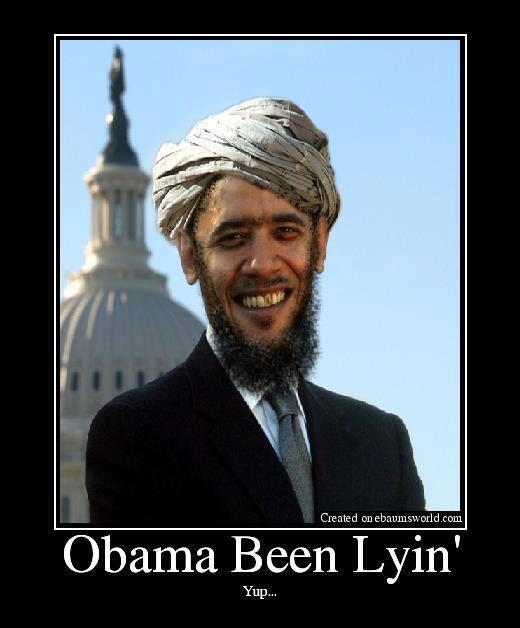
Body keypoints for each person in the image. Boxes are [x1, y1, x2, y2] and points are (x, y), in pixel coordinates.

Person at [86, 98, 425, 526]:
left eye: (285, 232)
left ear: (320, 243)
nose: (263, 265)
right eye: (233, 237)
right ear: (189, 254)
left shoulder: (382, 445)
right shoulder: (137, 435)